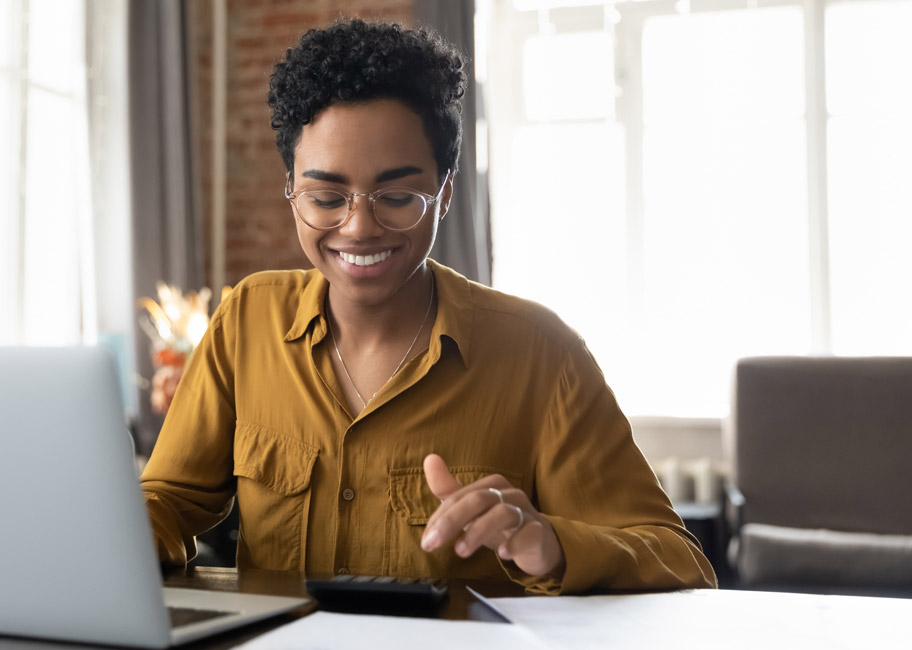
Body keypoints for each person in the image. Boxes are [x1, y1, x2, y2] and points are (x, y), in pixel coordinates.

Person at [140, 19, 715, 594]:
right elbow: (168, 500)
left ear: (444, 193)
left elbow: (680, 561)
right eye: (326, 197)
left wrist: (551, 543)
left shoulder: (542, 355)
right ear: (290, 189)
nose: (359, 227)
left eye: (396, 197)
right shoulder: (247, 321)